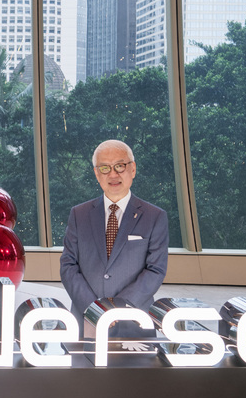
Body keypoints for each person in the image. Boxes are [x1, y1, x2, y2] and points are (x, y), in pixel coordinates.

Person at [59, 140, 168, 338]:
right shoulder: (79, 214)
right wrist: (94, 308)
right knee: (82, 369)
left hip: (134, 319)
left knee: (133, 369)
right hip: (85, 319)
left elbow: (155, 270)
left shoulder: (155, 216)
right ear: (96, 173)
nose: (113, 174)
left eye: (119, 166)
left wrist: (117, 308)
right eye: (105, 168)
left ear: (132, 169)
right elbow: (68, 265)